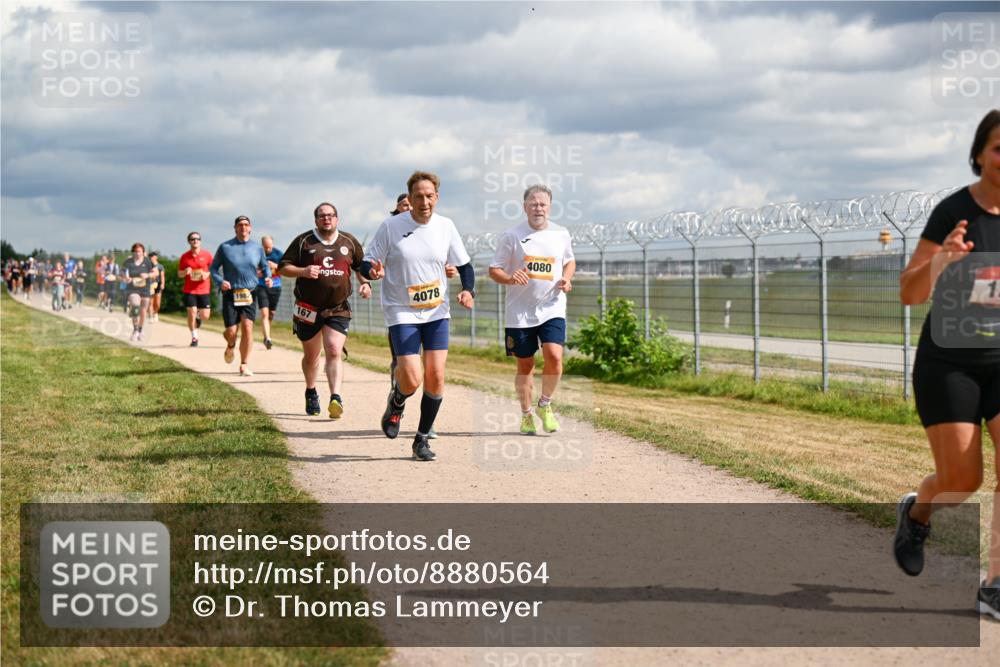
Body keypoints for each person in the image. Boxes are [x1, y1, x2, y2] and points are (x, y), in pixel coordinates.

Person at [895, 109, 1000, 622]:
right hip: (949, 361)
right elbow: (910, 293)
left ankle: (995, 585)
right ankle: (918, 511)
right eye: (999, 147)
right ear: (979, 153)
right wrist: (942, 261)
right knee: (961, 481)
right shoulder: (953, 212)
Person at [362, 171, 476, 462]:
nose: (424, 202)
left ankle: (421, 439)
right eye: (418, 197)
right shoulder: (391, 226)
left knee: (436, 376)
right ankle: (397, 401)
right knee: (412, 378)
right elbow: (367, 261)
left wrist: (468, 290)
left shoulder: (446, 226)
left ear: (437, 197)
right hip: (401, 310)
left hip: (437, 311)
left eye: (429, 196)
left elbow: (465, 265)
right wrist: (371, 271)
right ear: (409, 199)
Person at [489, 184, 576, 435]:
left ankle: (545, 404)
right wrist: (509, 278)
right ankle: (526, 414)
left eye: (542, 204)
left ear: (550, 207)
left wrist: (567, 278)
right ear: (525, 207)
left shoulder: (560, 233)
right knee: (525, 365)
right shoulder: (512, 235)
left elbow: (569, 260)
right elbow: (494, 270)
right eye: (533, 204)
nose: (538, 208)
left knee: (554, 356)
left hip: (552, 306)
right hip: (519, 312)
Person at [279, 203, 371, 418]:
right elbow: (283, 267)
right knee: (311, 356)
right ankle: (311, 391)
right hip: (308, 308)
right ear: (316, 220)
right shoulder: (303, 241)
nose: (326, 219)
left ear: (337, 218)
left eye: (330, 215)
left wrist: (366, 283)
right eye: (322, 216)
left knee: (334, 350)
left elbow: (360, 266)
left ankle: (335, 397)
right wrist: (303, 271)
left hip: (337, 307)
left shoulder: (348, 241)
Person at [210, 215, 271, 376]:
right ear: (235, 228)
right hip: (230, 292)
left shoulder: (257, 248)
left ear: (250, 228)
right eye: (240, 225)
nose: (243, 227)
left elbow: (265, 266)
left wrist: (268, 277)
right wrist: (220, 281)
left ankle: (244, 364)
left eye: (246, 224)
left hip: (249, 292)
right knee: (231, 331)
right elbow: (213, 268)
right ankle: (231, 345)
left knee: (248, 327)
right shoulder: (225, 247)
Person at [178, 232, 213, 347]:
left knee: (205, 316)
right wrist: (185, 272)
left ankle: (198, 317)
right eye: (192, 239)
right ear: (189, 241)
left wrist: (206, 274)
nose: (195, 241)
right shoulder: (184, 257)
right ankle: (194, 337)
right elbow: (179, 274)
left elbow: (213, 269)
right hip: (190, 290)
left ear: (200, 241)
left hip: (204, 289)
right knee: (191, 312)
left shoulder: (207, 255)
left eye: (197, 239)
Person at [121, 243, 154, 341]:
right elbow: (122, 272)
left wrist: (147, 275)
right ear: (133, 252)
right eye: (135, 251)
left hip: (145, 289)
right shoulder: (128, 261)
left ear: (143, 252)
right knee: (135, 306)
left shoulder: (147, 261)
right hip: (132, 288)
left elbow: (155, 272)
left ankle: (140, 330)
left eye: (139, 251)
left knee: (143, 311)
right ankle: (135, 329)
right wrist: (125, 277)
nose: (137, 253)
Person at [257, 234, 284, 350]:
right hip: (261, 286)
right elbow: (252, 268)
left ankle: (266, 333)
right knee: (264, 313)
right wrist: (258, 272)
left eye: (269, 247)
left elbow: (285, 269)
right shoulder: (257, 254)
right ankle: (268, 338)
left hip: (276, 286)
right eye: (265, 247)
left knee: (271, 314)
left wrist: (275, 266)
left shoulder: (279, 254)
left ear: (272, 244)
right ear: (262, 245)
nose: (268, 249)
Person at [148, 252, 166, 321]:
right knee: (151, 302)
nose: (151, 258)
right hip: (150, 284)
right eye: (150, 257)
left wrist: (162, 284)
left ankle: (155, 313)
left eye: (152, 256)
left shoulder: (160, 266)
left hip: (158, 284)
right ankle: (151, 317)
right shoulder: (148, 265)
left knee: (158, 303)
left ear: (156, 257)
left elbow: (162, 276)